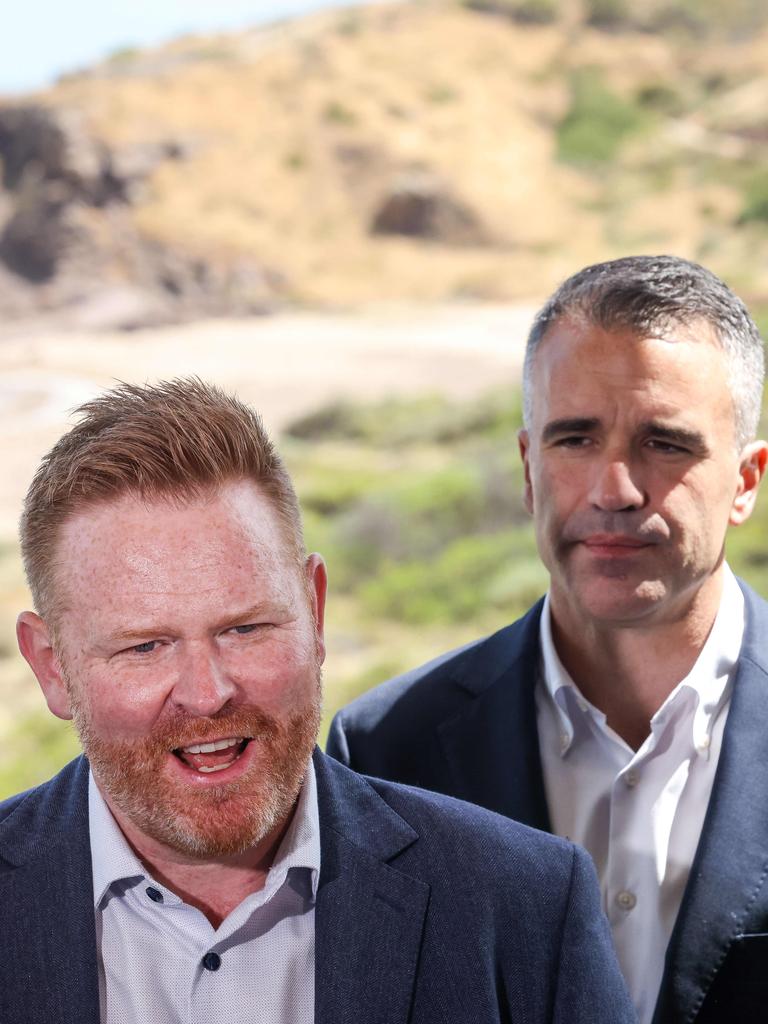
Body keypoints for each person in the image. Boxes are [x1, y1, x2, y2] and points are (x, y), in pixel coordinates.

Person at [6, 379, 632, 1024]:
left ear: (315, 611)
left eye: (244, 629)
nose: (207, 693)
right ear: (51, 668)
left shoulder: (525, 905)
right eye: (145, 647)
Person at [328, 254, 768, 1024]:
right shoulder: (381, 755)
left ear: (745, 481)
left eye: (665, 443)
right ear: (529, 469)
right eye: (575, 439)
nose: (614, 489)